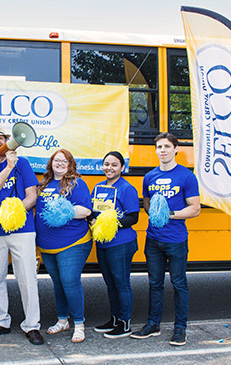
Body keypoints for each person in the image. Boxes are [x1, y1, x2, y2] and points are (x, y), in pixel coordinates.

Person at [0, 124, 44, 346]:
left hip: (22, 230)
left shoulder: (23, 164)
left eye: (0, 138)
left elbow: (32, 195)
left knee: (27, 279)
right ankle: (1, 321)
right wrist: (7, 167)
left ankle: (32, 325)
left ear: (6, 141)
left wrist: (15, 210)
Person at [131, 132, 200, 346]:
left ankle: (180, 329)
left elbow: (195, 209)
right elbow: (147, 203)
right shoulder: (150, 176)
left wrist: (169, 215)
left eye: (167, 146)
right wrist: (155, 213)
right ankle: (153, 324)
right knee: (155, 283)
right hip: (153, 239)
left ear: (176, 149)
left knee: (179, 283)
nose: (163, 150)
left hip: (176, 239)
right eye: (159, 147)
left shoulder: (186, 176)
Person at [35, 149, 93, 343]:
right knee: (58, 283)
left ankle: (79, 324)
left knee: (70, 281)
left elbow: (85, 210)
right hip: (47, 245)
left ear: (70, 165)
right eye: (56, 160)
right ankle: (62, 320)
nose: (60, 164)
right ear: (51, 163)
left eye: (64, 161)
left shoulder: (77, 183)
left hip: (73, 242)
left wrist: (63, 211)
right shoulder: (44, 184)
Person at [91, 151, 139, 339]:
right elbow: (93, 212)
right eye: (106, 164)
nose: (109, 168)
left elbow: (133, 217)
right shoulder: (98, 187)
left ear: (122, 168)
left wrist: (110, 224)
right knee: (110, 283)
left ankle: (125, 323)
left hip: (121, 243)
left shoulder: (127, 188)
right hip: (103, 243)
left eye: (114, 165)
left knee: (121, 283)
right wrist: (93, 220)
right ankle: (114, 319)